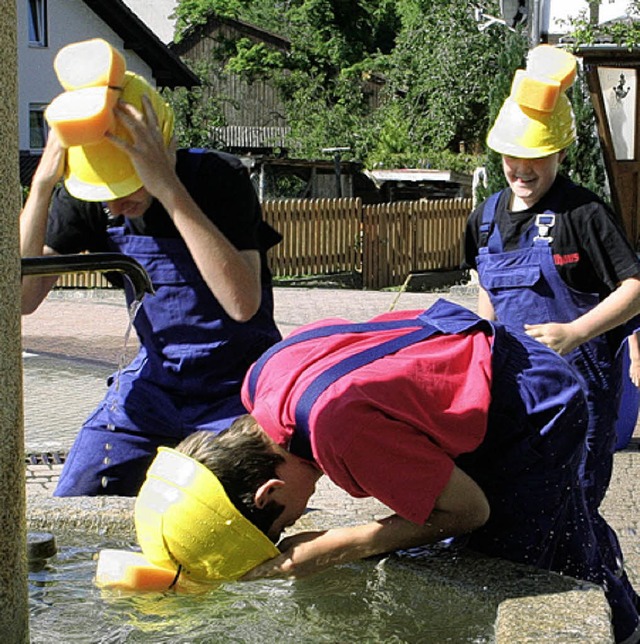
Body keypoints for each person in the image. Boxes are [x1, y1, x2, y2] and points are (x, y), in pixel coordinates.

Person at [135, 299, 639, 642]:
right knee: (561, 521)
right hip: (482, 367)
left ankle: (615, 623)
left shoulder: (340, 432)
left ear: (267, 493)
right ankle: (626, 617)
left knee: (513, 565)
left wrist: (342, 543)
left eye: (282, 525)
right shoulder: (261, 381)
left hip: (533, 409)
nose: (293, 527)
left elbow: (469, 511)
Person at [20, 39, 282, 497]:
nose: (118, 204)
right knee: (80, 494)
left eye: (127, 184)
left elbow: (242, 304)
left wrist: (168, 190)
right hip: (155, 383)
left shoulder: (219, 178)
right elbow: (19, 300)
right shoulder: (87, 195)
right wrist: (42, 185)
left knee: (222, 514)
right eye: (105, 192)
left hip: (237, 390)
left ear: (164, 146)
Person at [463, 46, 640, 517]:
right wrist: (486, 342)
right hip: (514, 383)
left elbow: (635, 288)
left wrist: (576, 332)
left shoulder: (584, 213)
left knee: (571, 504)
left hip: (580, 387)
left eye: (535, 157)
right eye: (511, 156)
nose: (521, 168)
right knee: (510, 495)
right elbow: (487, 283)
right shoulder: (485, 217)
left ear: (559, 152)